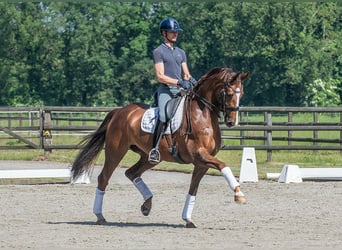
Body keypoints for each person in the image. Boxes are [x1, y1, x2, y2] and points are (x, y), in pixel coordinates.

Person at [148, 17, 196, 164]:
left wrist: (194, 81)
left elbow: (186, 73)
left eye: (176, 31)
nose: (175, 34)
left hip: (180, 91)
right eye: (172, 31)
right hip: (166, 91)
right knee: (163, 116)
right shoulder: (159, 51)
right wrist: (178, 82)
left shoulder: (180, 52)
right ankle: (154, 149)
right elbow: (160, 76)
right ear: (164, 33)